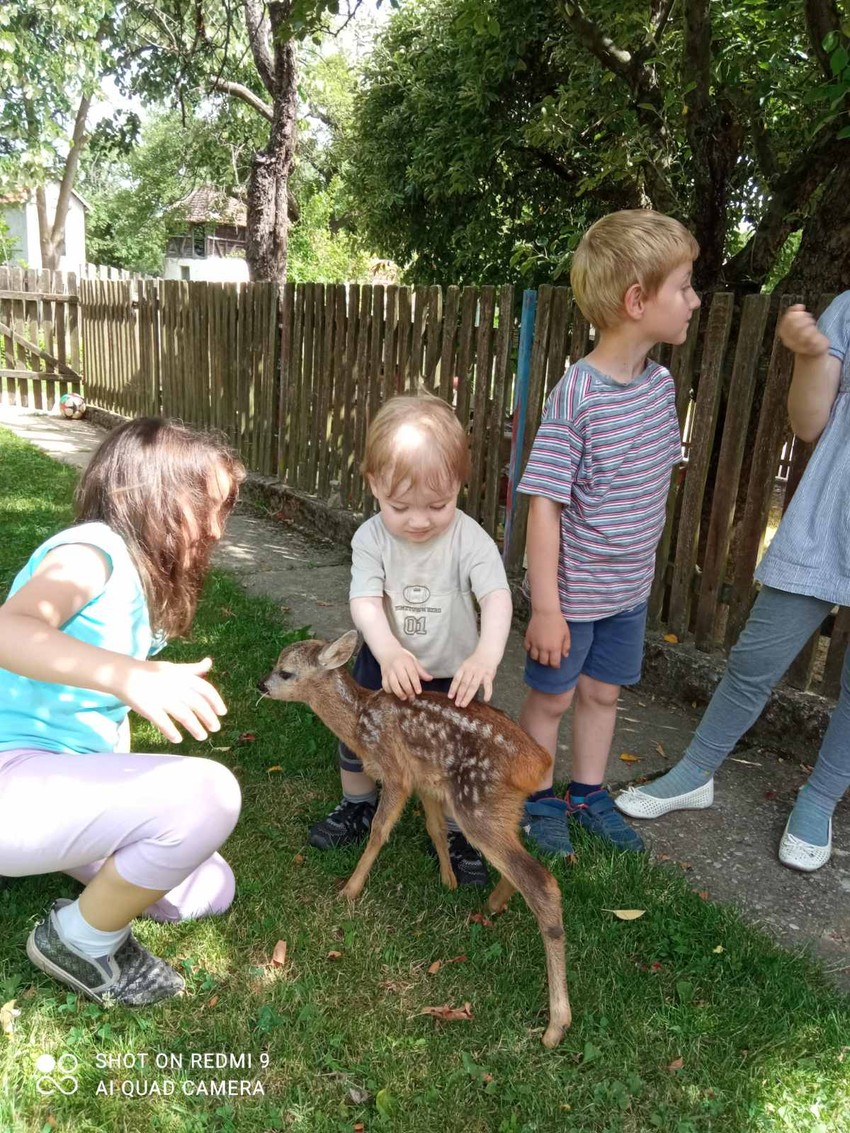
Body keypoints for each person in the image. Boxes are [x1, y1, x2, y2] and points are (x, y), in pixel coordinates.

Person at [0, 417, 245, 1004]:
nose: (216, 527)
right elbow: (10, 629)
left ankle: (63, 856)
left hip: (46, 786)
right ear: (152, 498)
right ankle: (77, 941)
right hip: (12, 781)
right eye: (204, 505)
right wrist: (131, 676)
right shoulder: (93, 551)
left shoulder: (134, 582)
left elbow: (97, 716)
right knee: (211, 795)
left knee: (210, 887)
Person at [616, 298, 850, 872]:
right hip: (830, 519)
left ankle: (818, 800)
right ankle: (695, 773)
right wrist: (810, 354)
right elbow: (809, 422)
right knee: (754, 660)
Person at [516, 209, 700, 857]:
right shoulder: (577, 395)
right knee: (552, 700)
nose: (694, 300)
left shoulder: (661, 386)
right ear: (636, 300)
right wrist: (544, 607)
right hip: (569, 597)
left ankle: (587, 792)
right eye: (684, 286)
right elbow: (545, 505)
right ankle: (535, 796)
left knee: (602, 693)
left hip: (627, 590)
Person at [308, 392, 513, 886]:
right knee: (358, 739)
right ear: (374, 484)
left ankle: (457, 830)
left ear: (459, 484)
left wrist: (486, 655)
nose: (420, 520)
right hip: (385, 667)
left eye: (438, 505)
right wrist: (388, 650)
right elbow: (365, 602)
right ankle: (358, 804)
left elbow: (498, 598)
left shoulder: (471, 539)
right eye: (401, 506)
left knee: (450, 758)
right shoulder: (371, 538)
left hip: (451, 676)